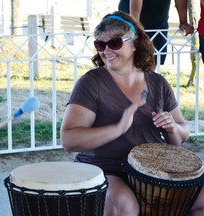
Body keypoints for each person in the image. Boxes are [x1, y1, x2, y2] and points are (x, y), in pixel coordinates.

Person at [60, 11, 204, 216]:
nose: (106, 50)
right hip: (106, 167)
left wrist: (172, 127)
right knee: (123, 205)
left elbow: (181, 135)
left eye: (115, 43)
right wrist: (118, 128)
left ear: (135, 44)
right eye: (100, 45)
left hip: (156, 168)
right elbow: (69, 140)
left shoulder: (158, 83)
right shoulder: (91, 83)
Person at [118, 0, 194, 65]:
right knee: (131, 60)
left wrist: (183, 21)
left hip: (158, 21)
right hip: (130, 19)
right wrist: (135, 28)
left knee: (157, 60)